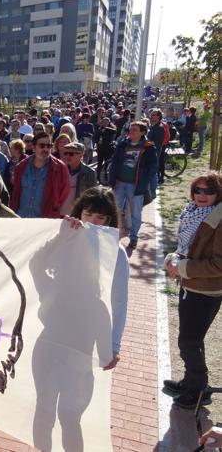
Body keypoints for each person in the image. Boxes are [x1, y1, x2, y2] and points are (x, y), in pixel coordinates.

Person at [163, 173, 222, 409]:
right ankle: (190, 382)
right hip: (191, 286)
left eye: (208, 191)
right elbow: (188, 247)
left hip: (206, 291)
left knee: (189, 341)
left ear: (218, 194)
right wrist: (174, 258)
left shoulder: (218, 220)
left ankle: (199, 391)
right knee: (188, 339)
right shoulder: (193, 212)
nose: (202, 195)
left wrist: (183, 267)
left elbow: (219, 264)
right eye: (197, 190)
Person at [63, 186, 129, 370]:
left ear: (109, 220)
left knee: (78, 385)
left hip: (86, 330)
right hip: (53, 322)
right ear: (79, 213)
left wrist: (114, 346)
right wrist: (61, 237)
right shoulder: (64, 239)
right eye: (88, 214)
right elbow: (35, 266)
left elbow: (119, 301)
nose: (93, 222)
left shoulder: (117, 253)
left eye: (100, 217)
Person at [108, 121, 158, 249]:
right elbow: (115, 161)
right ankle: (111, 236)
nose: (131, 131)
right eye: (130, 129)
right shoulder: (123, 143)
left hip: (136, 185)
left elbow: (153, 167)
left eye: (135, 129)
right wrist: (112, 178)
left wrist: (146, 182)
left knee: (136, 213)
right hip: (119, 183)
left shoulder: (148, 146)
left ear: (142, 132)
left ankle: (134, 238)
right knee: (114, 210)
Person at [10, 132, 70, 219]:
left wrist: (54, 209)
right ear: (33, 148)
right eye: (42, 146)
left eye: (49, 146)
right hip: (21, 219)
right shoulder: (21, 166)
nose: (45, 149)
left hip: (44, 222)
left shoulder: (60, 168)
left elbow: (64, 194)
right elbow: (16, 193)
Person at [58, 142, 97, 216]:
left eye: (71, 154)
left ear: (81, 155)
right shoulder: (61, 170)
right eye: (66, 153)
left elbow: (93, 196)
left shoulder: (89, 172)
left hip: (77, 213)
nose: (68, 156)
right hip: (60, 211)